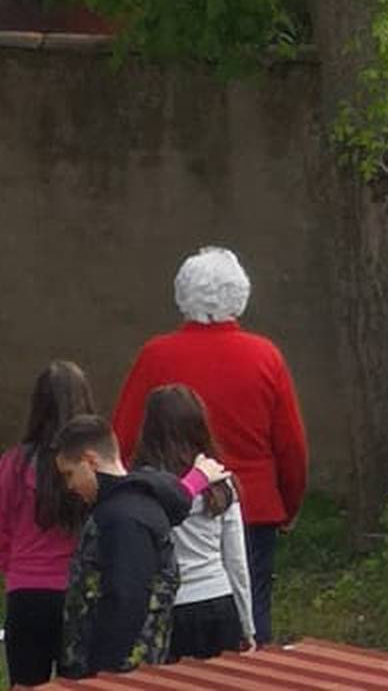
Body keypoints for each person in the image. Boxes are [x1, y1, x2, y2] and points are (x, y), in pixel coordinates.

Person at [112, 247, 308, 644]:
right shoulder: (264, 356)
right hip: (253, 505)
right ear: (240, 294)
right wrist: (289, 504)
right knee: (251, 607)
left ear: (183, 294)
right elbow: (290, 444)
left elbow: (123, 434)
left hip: (174, 506)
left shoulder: (156, 355)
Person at [53, 415, 191, 678]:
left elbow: (126, 599)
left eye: (69, 474)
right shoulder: (132, 507)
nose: (69, 485)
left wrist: (103, 673)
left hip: (119, 671)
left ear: (90, 461)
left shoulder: (122, 519)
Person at [134, 385, 255, 661]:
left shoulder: (143, 486)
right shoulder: (221, 485)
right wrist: (247, 625)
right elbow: (236, 562)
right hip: (219, 600)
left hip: (169, 607)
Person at [0, 362, 95, 686]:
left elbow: (1, 528)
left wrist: (15, 567)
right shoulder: (96, 463)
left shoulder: (14, 463)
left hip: (27, 592)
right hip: (80, 593)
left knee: (25, 684)